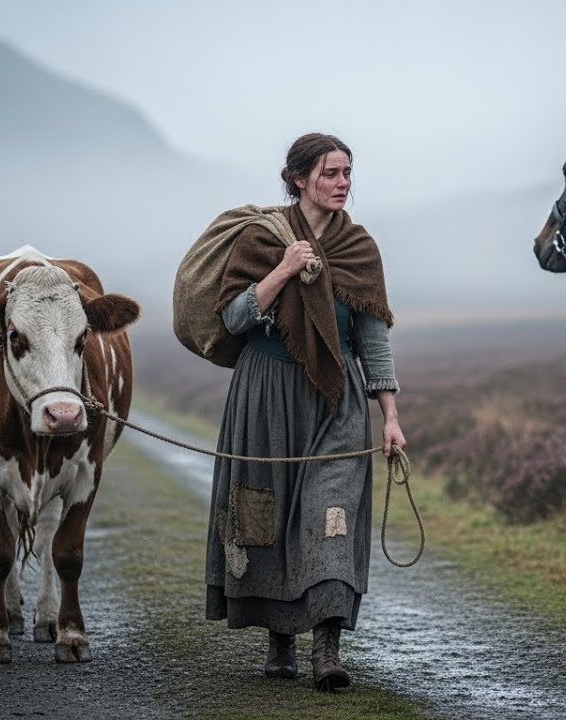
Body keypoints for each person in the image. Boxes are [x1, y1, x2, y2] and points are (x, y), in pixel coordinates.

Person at [204, 133, 406, 692]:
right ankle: (280, 643)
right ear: (297, 178)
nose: (342, 183)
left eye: (347, 173)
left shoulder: (359, 247)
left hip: (336, 399)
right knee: (265, 512)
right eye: (331, 173)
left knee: (330, 511)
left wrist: (389, 416)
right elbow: (235, 321)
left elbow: (374, 338)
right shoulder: (260, 240)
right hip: (265, 395)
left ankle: (327, 648)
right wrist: (285, 269)